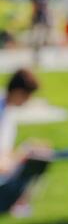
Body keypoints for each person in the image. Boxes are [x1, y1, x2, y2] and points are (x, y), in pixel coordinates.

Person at [0, 70, 52, 215]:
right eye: (27, 96)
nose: (28, 101)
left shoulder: (6, 110)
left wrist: (26, 149)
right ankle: (18, 204)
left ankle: (19, 202)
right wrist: (21, 156)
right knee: (37, 161)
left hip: (5, 170)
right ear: (18, 92)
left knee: (39, 154)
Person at [29, 0, 54, 65]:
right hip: (38, 18)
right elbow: (34, 6)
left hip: (46, 18)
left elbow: (50, 5)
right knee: (37, 39)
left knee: (44, 39)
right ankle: (36, 58)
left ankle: (40, 57)